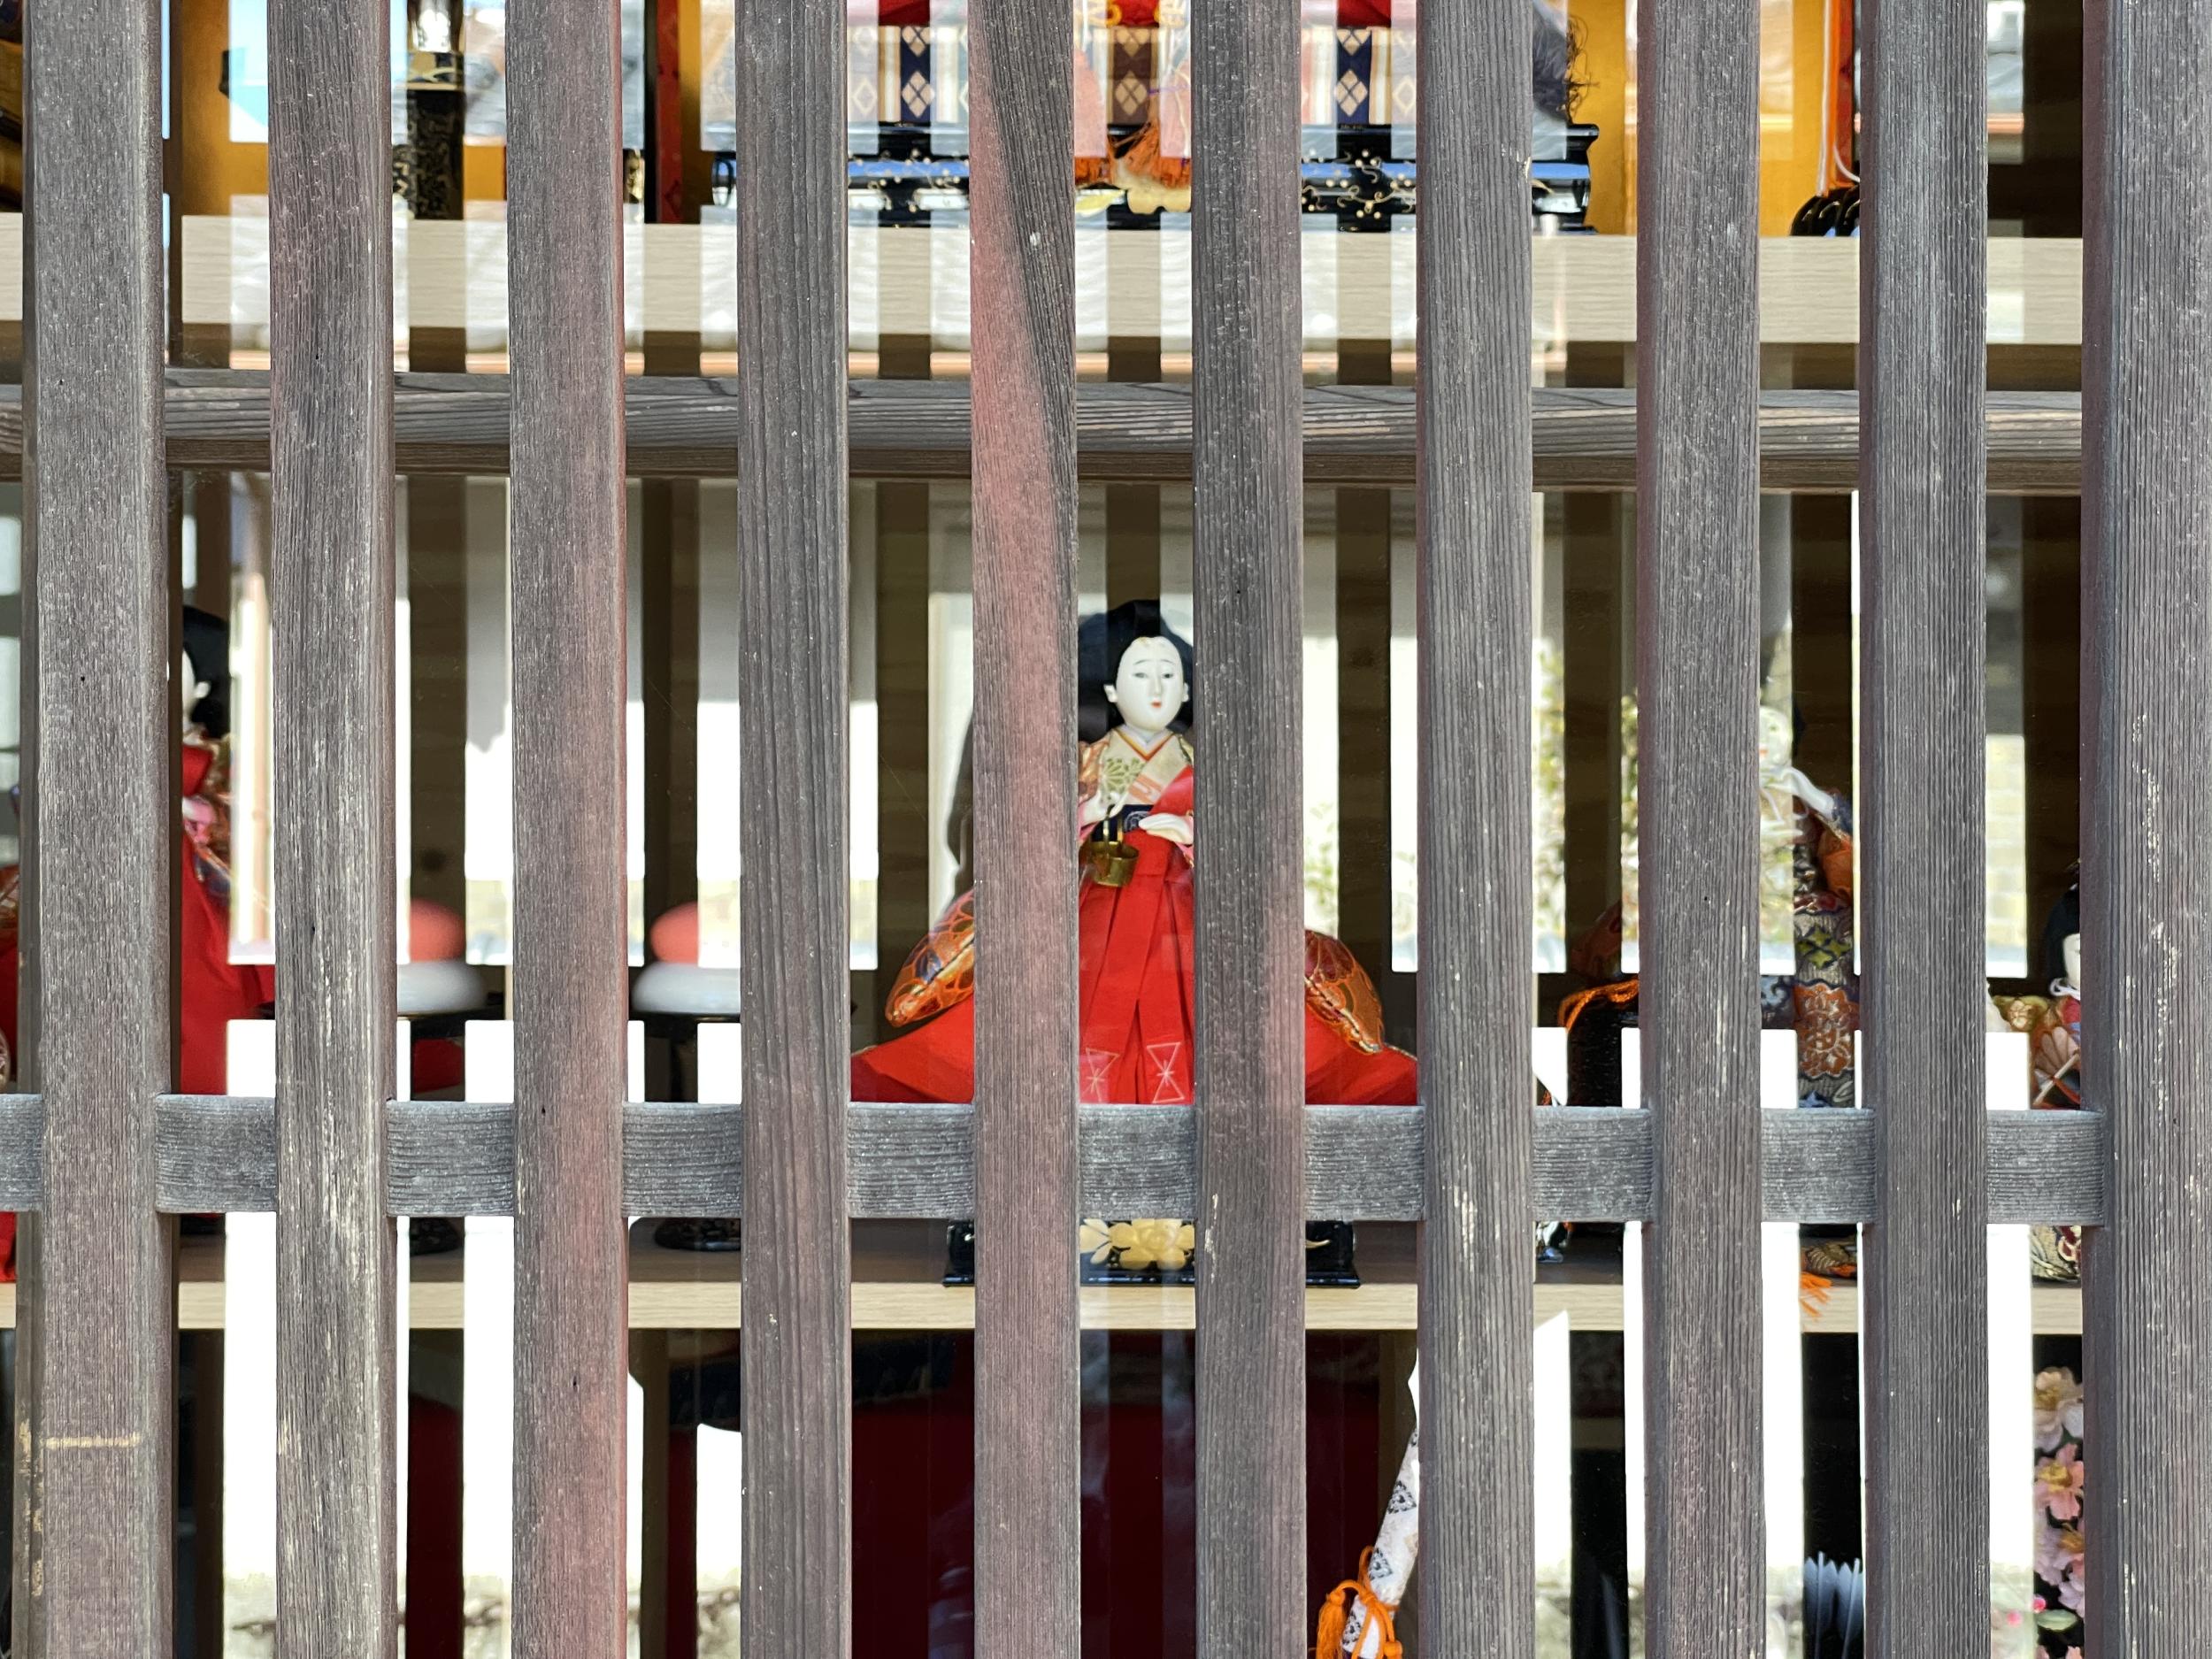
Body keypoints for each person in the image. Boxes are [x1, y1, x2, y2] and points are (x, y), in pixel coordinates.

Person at [851, 599, 1417, 1109]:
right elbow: (983, 846)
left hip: (1184, 958)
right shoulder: (1079, 774)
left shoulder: (1194, 777)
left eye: (1167, 680)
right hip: (1076, 955)